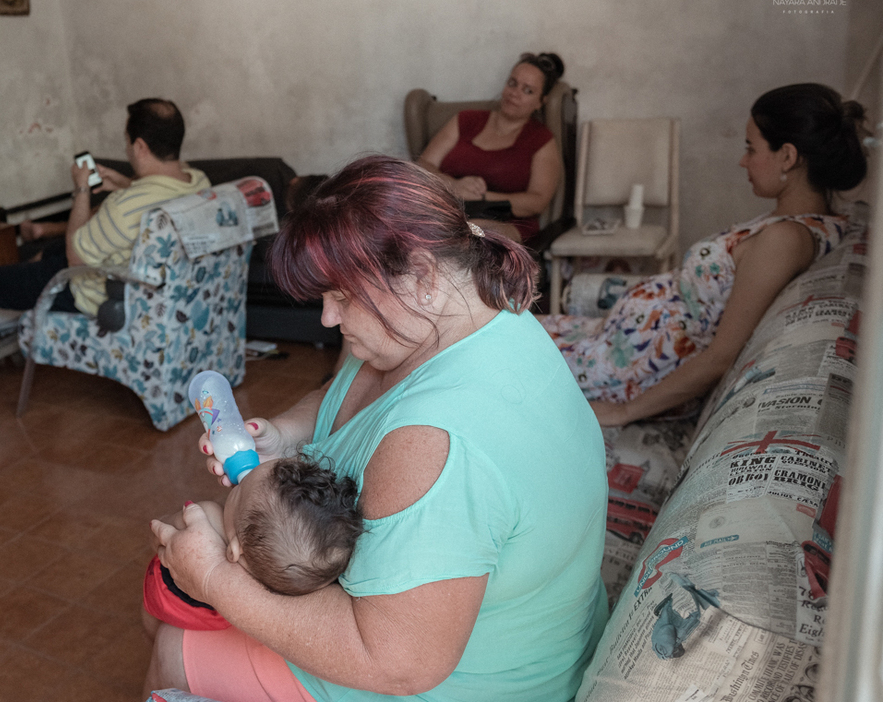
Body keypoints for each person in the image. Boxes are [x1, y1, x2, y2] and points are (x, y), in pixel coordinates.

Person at [145, 156, 609, 702]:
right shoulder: (464, 314)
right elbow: (347, 393)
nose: (326, 319)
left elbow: (397, 665)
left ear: (422, 276)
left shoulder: (435, 444)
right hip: (483, 640)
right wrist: (284, 433)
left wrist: (216, 581)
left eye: (340, 297)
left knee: (173, 641)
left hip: (469, 682)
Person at [541, 83, 867, 427]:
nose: (743, 161)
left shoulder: (785, 240)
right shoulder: (790, 222)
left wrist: (624, 412)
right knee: (507, 328)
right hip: (617, 342)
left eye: (750, 148)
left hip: (629, 370)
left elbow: (721, 356)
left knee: (497, 352)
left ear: (787, 156)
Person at [0, 98, 209, 315]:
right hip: (165, 289)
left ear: (139, 146)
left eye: (127, 141)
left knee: (2, 281)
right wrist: (127, 184)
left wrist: (82, 189)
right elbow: (154, 199)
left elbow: (76, 257)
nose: (125, 148)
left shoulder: (125, 207)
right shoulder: (198, 182)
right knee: (51, 251)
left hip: (100, 293)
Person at [143, 454, 363, 634]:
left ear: (235, 550)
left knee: (152, 621)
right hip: (230, 626)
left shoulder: (206, 518)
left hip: (169, 597)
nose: (237, 483)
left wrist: (165, 522)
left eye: (239, 491)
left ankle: (152, 631)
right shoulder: (293, 575)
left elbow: (159, 536)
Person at [417, 52, 565, 242]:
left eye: (527, 90)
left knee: (473, 235)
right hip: (447, 211)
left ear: (540, 101)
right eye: (512, 83)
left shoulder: (541, 139)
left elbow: (538, 201)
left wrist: (483, 197)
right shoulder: (466, 120)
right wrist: (453, 185)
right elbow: (423, 164)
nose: (515, 93)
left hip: (504, 223)